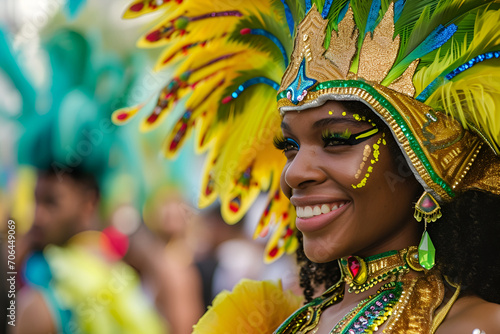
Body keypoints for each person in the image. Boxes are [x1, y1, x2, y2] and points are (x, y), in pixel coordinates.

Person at [118, 0, 500, 333]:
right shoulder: (272, 323)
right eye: (290, 145)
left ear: (424, 159)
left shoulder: (474, 325)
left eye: (336, 140)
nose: (294, 173)